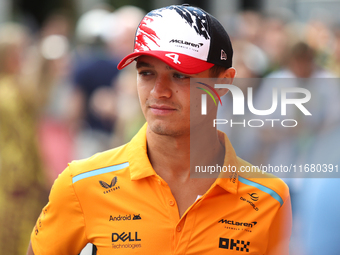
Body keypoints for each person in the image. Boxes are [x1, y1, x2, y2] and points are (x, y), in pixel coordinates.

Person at [27, 4, 292, 255]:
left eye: (180, 75)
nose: (159, 91)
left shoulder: (269, 198)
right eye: (146, 73)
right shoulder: (80, 183)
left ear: (223, 84)